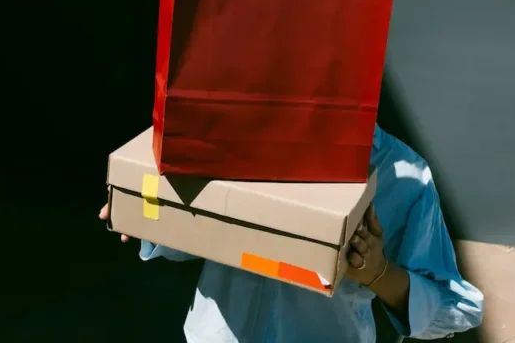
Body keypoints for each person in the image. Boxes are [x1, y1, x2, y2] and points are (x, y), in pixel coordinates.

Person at [99, 124, 484, 342]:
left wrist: (377, 272)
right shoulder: (233, 137)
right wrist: (147, 214)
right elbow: (206, 240)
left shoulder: (403, 173)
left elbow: (459, 309)